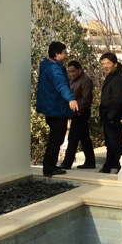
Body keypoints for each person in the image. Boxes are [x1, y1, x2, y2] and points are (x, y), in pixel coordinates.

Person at [35, 41, 79, 177]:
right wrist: (71, 98)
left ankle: (50, 166)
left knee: (55, 138)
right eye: (64, 52)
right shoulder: (54, 69)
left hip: (51, 108)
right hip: (56, 109)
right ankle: (49, 167)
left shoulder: (47, 66)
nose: (66, 55)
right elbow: (61, 85)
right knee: (56, 139)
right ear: (57, 54)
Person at [60, 60, 96, 170]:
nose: (72, 74)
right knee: (84, 138)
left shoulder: (86, 80)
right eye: (70, 72)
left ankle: (67, 162)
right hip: (76, 112)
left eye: (73, 71)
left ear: (79, 69)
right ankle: (90, 161)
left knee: (73, 137)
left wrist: (77, 110)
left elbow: (86, 98)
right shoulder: (75, 80)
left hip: (80, 113)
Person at [98, 52, 122, 174]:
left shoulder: (118, 79)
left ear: (115, 64)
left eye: (108, 63)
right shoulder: (109, 77)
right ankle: (109, 165)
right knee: (110, 143)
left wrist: (111, 116)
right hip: (107, 116)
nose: (105, 66)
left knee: (116, 143)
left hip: (114, 117)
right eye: (103, 63)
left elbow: (117, 100)